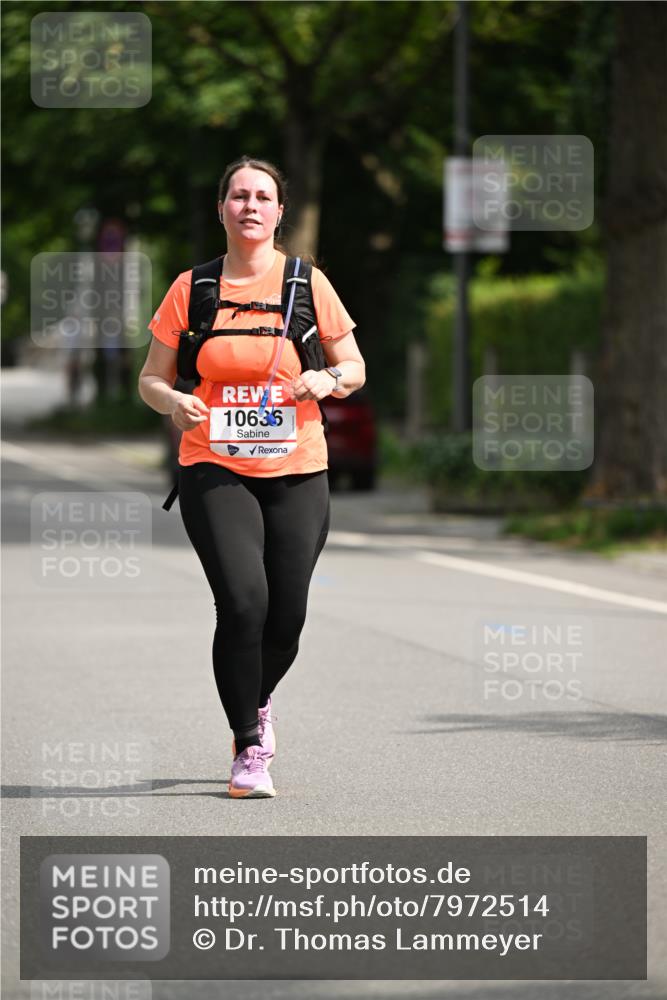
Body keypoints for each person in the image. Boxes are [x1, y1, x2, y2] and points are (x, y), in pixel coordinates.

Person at [138, 156, 366, 798]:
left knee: (286, 618)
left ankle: (256, 699)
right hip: (213, 464)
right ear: (222, 210)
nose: (250, 207)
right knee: (243, 603)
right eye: (239, 196)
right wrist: (173, 401)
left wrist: (326, 377)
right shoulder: (193, 287)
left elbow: (354, 367)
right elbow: (151, 378)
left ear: (279, 211)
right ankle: (248, 746)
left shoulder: (306, 283)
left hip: (298, 467)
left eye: (263, 197)